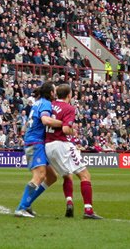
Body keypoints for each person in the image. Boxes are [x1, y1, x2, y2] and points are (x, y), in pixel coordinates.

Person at [45, 84, 103, 219]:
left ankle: (69, 201)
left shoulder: (50, 104)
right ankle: (88, 211)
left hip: (47, 146)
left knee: (67, 175)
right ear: (69, 95)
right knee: (85, 176)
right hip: (61, 144)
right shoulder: (69, 108)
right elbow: (65, 130)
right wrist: (73, 130)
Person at [15, 82, 62, 218]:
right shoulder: (46, 103)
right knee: (40, 175)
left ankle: (27, 204)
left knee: (52, 177)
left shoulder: (38, 102)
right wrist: (63, 124)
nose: (56, 92)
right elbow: (46, 120)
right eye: (54, 90)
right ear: (51, 93)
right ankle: (21, 208)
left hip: (34, 140)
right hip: (35, 142)